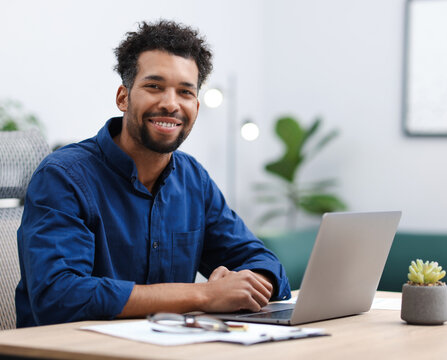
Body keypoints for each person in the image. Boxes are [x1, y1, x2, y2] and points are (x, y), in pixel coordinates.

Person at [15, 20, 291, 327]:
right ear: (123, 97)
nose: (170, 104)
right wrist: (204, 295)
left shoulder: (193, 180)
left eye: (185, 92)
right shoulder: (63, 177)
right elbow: (60, 297)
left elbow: (264, 262)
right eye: (154, 86)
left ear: (196, 107)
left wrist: (249, 281)